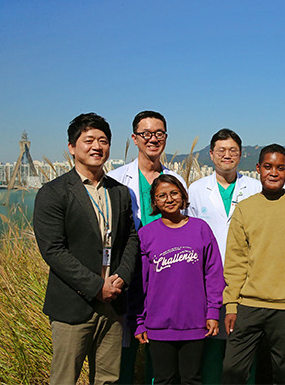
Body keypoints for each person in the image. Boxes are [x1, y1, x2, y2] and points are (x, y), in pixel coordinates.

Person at [33, 113, 139, 385]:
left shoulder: (120, 191)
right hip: (73, 304)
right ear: (72, 147)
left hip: (113, 301)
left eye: (103, 141)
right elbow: (53, 250)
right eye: (88, 140)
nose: (96, 146)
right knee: (64, 378)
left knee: (108, 379)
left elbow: (131, 239)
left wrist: (121, 278)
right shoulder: (54, 192)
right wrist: (95, 286)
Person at [221, 144, 285, 384]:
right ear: (258, 168)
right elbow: (235, 261)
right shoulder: (245, 208)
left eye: (280, 168)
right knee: (233, 371)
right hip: (248, 305)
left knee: (282, 376)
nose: (273, 172)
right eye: (268, 167)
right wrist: (231, 304)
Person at [107, 110, 187, 383]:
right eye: (146, 134)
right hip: (128, 274)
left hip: (166, 277)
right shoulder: (116, 179)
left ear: (165, 137)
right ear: (134, 138)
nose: (153, 139)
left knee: (163, 354)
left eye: (159, 133)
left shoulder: (176, 181)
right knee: (123, 350)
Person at [133, 174, 225, 385]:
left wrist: (213, 312)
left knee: (191, 378)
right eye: (162, 195)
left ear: (183, 196)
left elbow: (213, 274)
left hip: (194, 322)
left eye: (174, 193)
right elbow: (140, 283)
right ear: (154, 202)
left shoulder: (200, 228)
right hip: (158, 324)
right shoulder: (147, 234)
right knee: (164, 379)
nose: (169, 199)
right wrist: (139, 321)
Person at [186, 128, 261, 383]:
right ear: (211, 154)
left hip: (247, 278)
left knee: (243, 346)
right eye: (221, 150)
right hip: (207, 279)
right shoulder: (196, 190)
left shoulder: (255, 187)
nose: (227, 155)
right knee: (211, 344)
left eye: (233, 151)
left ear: (241, 155)